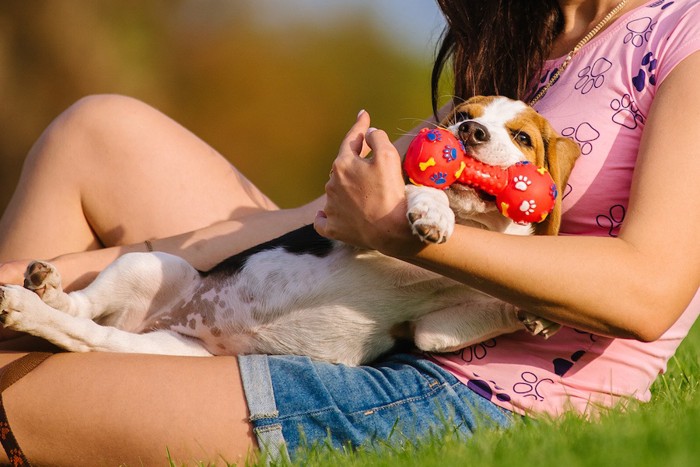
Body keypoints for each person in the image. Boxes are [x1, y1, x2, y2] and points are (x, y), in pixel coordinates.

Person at [0, 0, 699, 464]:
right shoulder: (519, 39)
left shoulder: (685, 33)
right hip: (366, 301)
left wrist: (407, 231)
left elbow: (649, 290)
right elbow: (320, 216)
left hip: (469, 392)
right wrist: (73, 265)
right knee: (95, 133)